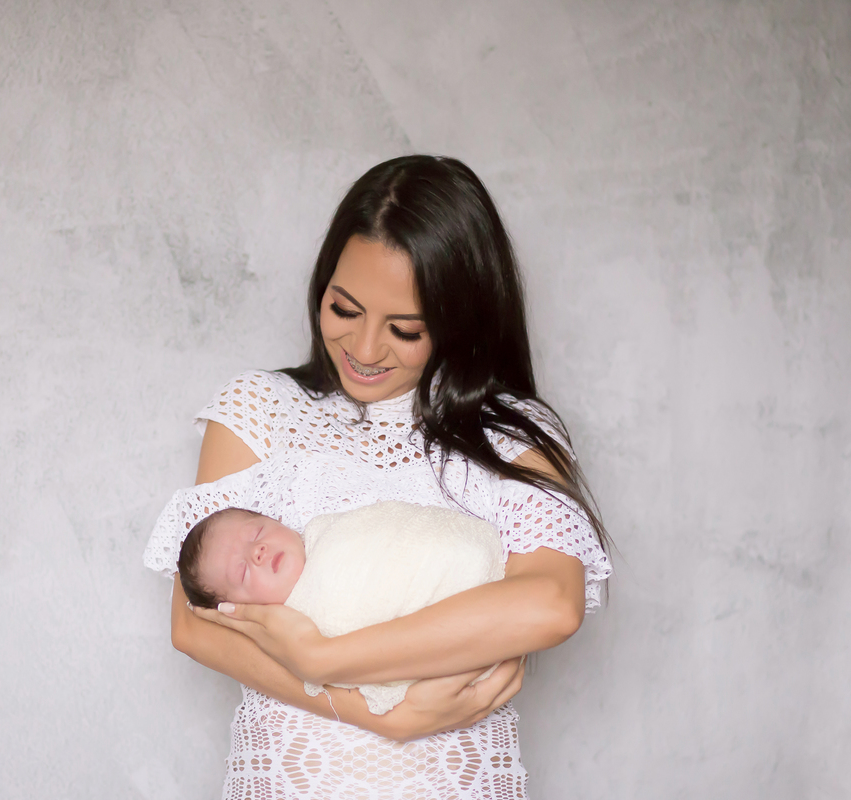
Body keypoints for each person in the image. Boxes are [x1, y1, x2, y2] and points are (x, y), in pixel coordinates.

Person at [143, 155, 613, 799]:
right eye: (343, 309)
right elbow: (193, 622)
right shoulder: (260, 411)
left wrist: (322, 659)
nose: (363, 350)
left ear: (459, 322)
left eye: (405, 329)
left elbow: (551, 603)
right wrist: (381, 713)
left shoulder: (511, 435)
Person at [175, 498, 508, 714]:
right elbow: (357, 665)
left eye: (258, 531)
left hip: (480, 567)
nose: (258, 550)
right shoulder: (296, 627)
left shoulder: (330, 528)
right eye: (243, 571)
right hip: (469, 622)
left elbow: (392, 524)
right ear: (240, 612)